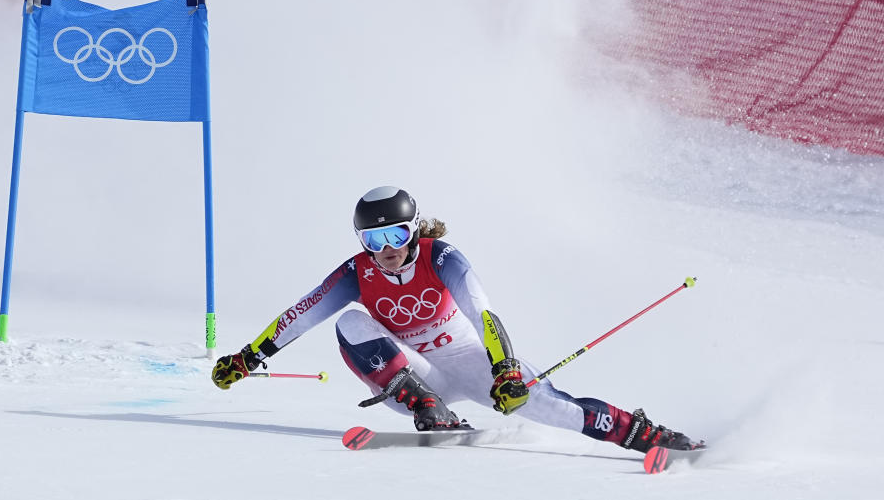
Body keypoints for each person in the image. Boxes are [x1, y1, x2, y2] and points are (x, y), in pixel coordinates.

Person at [212, 186, 701, 451]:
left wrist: (505, 369)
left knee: (558, 411)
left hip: (474, 363)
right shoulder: (356, 273)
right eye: (373, 241)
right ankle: (432, 408)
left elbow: (483, 312)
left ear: (414, 230)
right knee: (350, 322)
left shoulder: (441, 257)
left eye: (395, 236)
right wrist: (249, 357)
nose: (386, 252)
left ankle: (643, 434)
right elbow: (301, 314)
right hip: (413, 384)